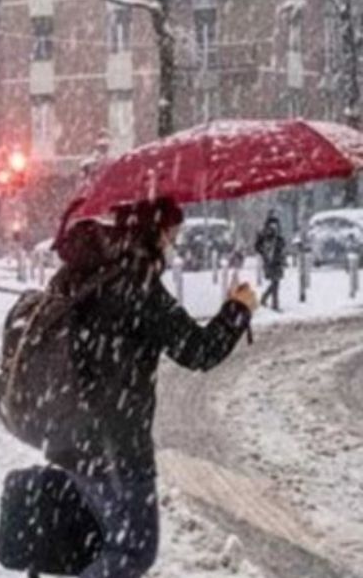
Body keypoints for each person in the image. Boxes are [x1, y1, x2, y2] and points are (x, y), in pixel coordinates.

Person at [46, 198, 257, 578]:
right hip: (117, 445)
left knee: (100, 546)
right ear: (157, 232)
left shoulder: (85, 272)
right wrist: (238, 309)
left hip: (68, 434)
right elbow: (198, 351)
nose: (173, 243)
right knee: (133, 551)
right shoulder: (136, 284)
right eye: (172, 234)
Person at [254, 212, 286, 311]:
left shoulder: (277, 236)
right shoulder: (265, 235)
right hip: (270, 260)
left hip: (276, 260)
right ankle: (274, 304)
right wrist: (264, 252)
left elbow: (282, 245)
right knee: (275, 282)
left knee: (275, 282)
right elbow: (258, 246)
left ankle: (265, 298)